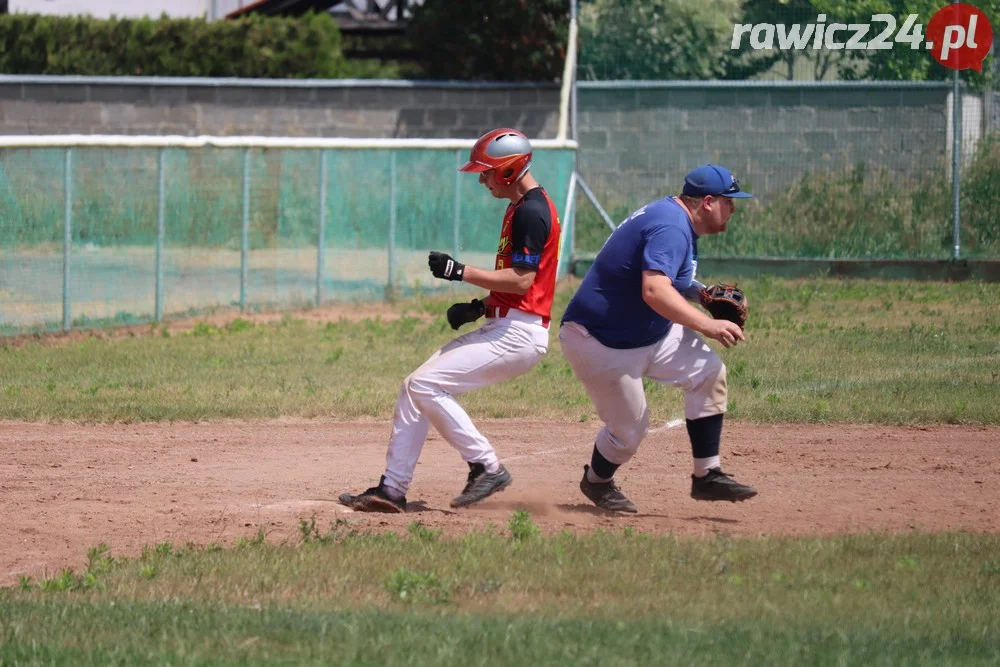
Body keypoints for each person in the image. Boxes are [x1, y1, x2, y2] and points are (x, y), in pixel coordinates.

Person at [339, 128, 562, 513]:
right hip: (506, 324)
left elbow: (523, 280)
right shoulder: (520, 207)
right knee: (415, 386)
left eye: (487, 171)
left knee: (427, 384)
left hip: (519, 334)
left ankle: (486, 465)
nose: (481, 179)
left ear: (509, 170)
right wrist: (478, 306)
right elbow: (525, 284)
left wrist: (460, 271)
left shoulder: (531, 210)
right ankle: (391, 489)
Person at [559, 164, 758, 513]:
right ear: (708, 202)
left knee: (708, 373)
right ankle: (597, 482)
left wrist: (703, 294)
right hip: (601, 341)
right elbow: (654, 290)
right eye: (730, 201)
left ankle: (707, 476)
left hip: (647, 332)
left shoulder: (676, 220)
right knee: (629, 435)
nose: (734, 209)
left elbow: (667, 280)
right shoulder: (671, 226)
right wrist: (707, 326)